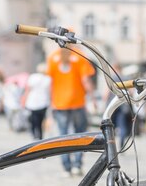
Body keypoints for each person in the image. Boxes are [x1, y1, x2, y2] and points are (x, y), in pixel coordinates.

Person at [47, 47, 95, 177]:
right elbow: (85, 80)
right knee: (80, 134)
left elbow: (50, 82)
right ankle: (77, 166)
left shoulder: (53, 57)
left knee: (63, 136)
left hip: (59, 103)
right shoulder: (80, 55)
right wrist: (92, 98)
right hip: (77, 102)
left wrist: (51, 101)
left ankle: (66, 168)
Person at [22, 63, 51, 140]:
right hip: (44, 102)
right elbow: (50, 92)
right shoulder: (48, 79)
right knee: (41, 120)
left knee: (33, 119)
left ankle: (34, 133)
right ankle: (40, 135)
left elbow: (27, 90)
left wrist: (24, 100)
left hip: (32, 101)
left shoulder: (32, 77)